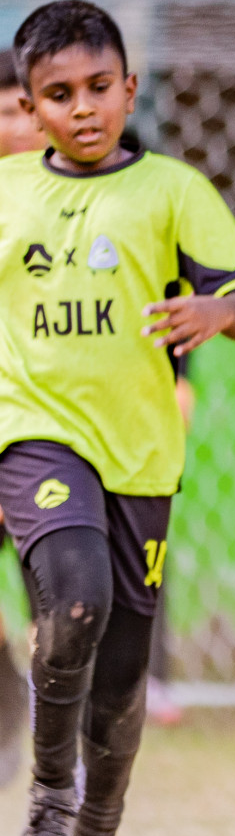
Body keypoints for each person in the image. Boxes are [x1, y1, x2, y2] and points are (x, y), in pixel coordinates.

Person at [3, 0, 235, 836]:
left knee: (119, 678)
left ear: (129, 89)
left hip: (142, 458)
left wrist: (213, 316)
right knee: (73, 598)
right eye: (58, 95)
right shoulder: (7, 195)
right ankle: (45, 791)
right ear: (30, 108)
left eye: (98, 89)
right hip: (36, 434)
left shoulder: (172, 190)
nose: (82, 109)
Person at [0, 48, 49, 787]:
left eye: (26, 108)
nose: (18, 125)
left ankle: (54, 745)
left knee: (68, 613)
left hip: (59, 442)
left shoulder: (117, 206)